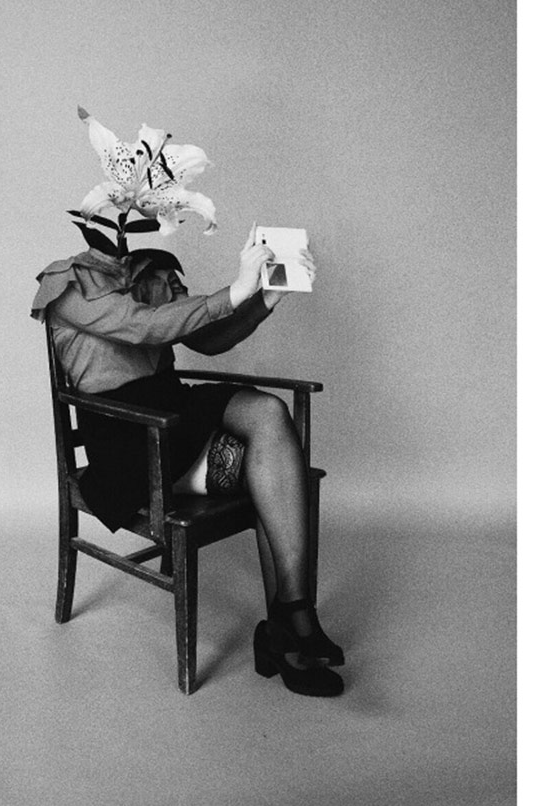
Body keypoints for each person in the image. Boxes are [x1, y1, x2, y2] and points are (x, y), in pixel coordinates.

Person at [31, 110, 345, 697]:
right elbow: (140, 326)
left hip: (172, 407)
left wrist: (264, 298)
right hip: (126, 433)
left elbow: (205, 338)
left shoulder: (153, 269)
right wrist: (234, 289)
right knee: (275, 471)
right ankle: (288, 631)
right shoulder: (66, 283)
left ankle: (293, 615)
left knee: (268, 414)